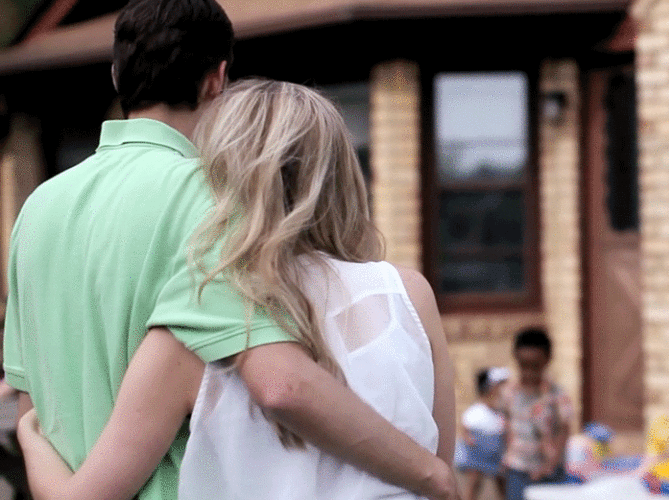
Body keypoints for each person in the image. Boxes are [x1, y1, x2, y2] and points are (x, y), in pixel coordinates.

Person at [3, 2, 458, 499]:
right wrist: (431, 475)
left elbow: (35, 409)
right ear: (217, 79)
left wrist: (34, 450)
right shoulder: (220, 200)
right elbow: (281, 384)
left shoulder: (37, 209)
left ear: (117, 75)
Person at [500, 328, 573, 500]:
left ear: (547, 360)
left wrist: (550, 464)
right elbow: (508, 425)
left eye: (535, 367)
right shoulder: (509, 393)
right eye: (524, 366)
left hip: (550, 472)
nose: (529, 372)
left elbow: (564, 431)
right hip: (517, 469)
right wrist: (506, 457)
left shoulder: (556, 396)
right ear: (516, 359)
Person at [455, 367, 509, 500]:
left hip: (497, 452)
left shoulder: (501, 412)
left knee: (502, 484)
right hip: (478, 453)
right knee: (474, 483)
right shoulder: (475, 412)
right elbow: (465, 430)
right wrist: (469, 440)